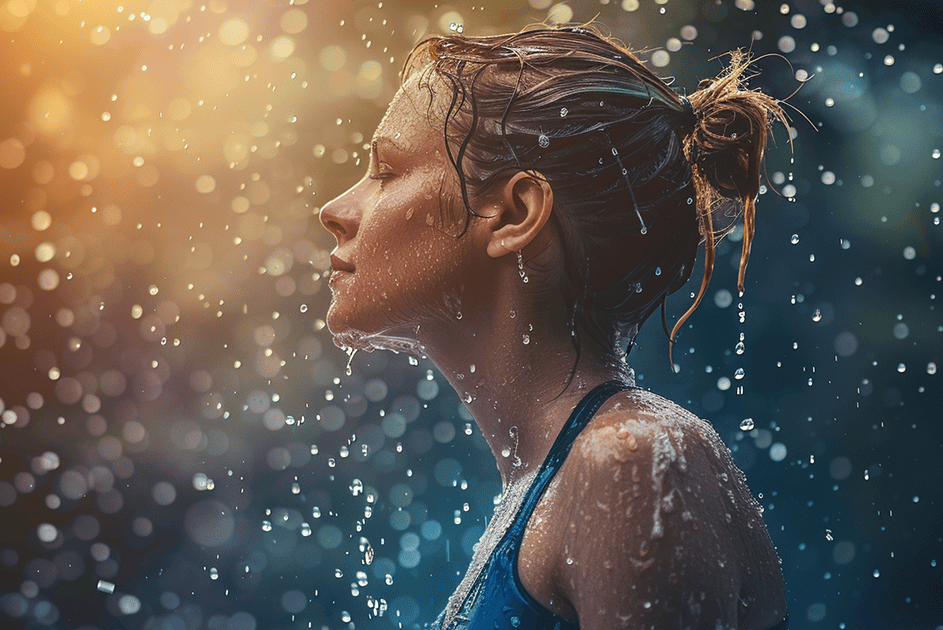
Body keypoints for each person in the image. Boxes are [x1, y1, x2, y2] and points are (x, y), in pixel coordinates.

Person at [318, 24, 791, 630]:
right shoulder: (560, 482)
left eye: (386, 171)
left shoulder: (629, 464)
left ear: (513, 214)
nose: (334, 211)